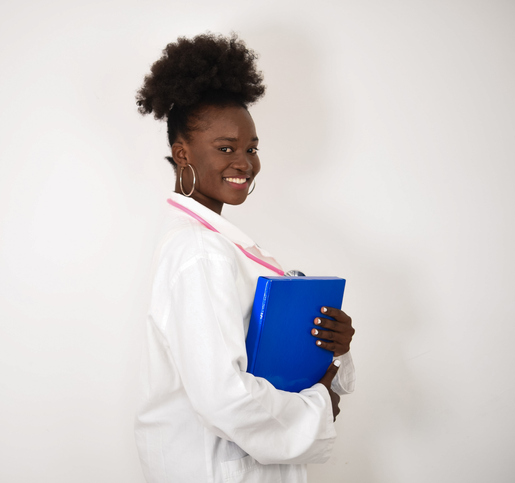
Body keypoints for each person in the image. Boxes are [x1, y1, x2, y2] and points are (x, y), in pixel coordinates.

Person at [134, 33, 356, 483]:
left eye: (251, 148)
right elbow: (223, 397)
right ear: (182, 154)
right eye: (226, 148)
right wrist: (317, 407)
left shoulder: (216, 242)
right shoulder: (198, 250)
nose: (245, 163)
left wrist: (333, 346)